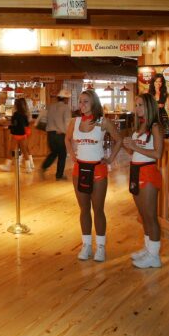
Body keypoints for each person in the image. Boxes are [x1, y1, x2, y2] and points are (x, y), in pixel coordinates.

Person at [65, 90, 122, 262]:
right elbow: (67, 139)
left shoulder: (102, 122)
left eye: (85, 102)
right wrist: (72, 156)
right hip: (79, 170)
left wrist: (110, 159)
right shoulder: (74, 122)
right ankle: (87, 244)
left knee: (98, 209)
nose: (81, 105)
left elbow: (118, 139)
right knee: (83, 209)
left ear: (94, 103)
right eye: (80, 102)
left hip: (98, 170)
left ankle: (101, 246)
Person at [123, 93, 165, 269]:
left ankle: (154, 256)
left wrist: (134, 146)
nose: (137, 108)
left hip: (148, 172)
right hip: (135, 171)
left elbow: (158, 154)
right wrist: (129, 148)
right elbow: (135, 153)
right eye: (136, 105)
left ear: (149, 106)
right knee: (143, 216)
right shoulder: (140, 126)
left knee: (150, 216)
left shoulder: (155, 127)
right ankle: (148, 249)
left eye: (140, 105)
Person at [40, 88, 72, 180]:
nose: (68, 100)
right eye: (68, 98)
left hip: (50, 135)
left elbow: (43, 119)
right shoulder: (66, 108)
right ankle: (59, 175)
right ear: (65, 99)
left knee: (53, 153)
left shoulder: (51, 106)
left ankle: (43, 167)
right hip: (60, 135)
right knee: (62, 155)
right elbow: (67, 123)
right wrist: (68, 134)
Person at [0, 97, 35, 172]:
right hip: (23, 135)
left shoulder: (15, 114)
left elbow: (14, 125)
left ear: (17, 105)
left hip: (16, 135)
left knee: (11, 150)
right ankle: (28, 168)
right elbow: (26, 124)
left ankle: (7, 166)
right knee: (25, 151)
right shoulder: (24, 114)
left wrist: (7, 127)